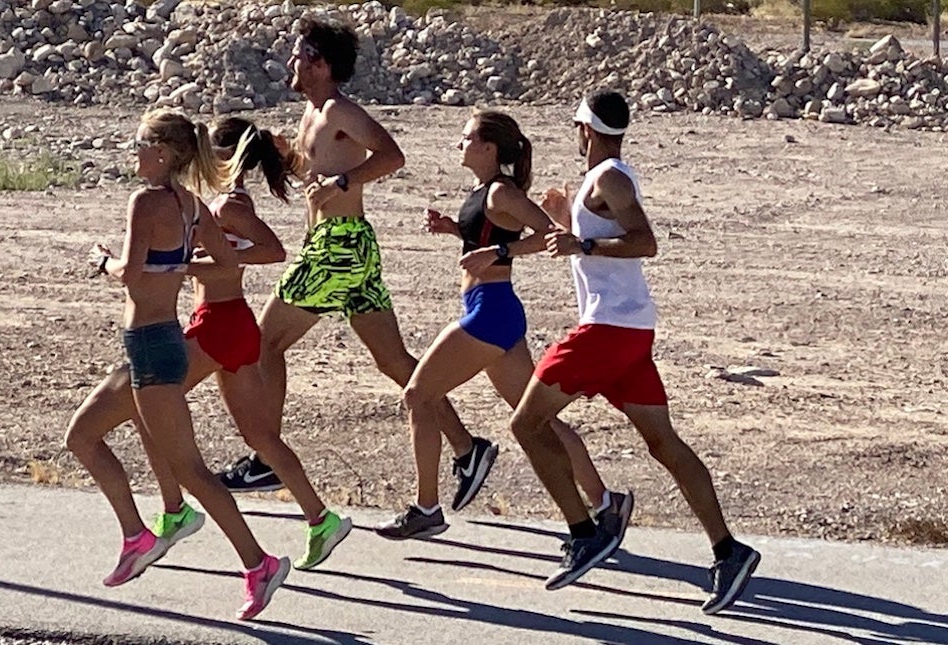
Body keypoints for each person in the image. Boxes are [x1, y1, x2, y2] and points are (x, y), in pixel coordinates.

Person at [219, 18, 498, 518]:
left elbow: (391, 155)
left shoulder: (341, 111)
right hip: (346, 248)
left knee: (264, 343)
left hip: (339, 246)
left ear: (321, 64)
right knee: (393, 362)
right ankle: (467, 447)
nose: (291, 62)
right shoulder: (310, 116)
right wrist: (278, 159)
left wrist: (345, 183)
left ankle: (266, 456)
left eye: (299, 54)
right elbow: (314, 173)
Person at [509, 90, 761, 614]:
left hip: (607, 331)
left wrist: (582, 244)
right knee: (662, 443)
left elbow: (645, 242)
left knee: (526, 425)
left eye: (576, 126)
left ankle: (586, 531)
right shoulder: (598, 182)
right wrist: (565, 225)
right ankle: (728, 551)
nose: (575, 135)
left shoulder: (611, 178)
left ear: (587, 129)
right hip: (626, 332)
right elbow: (595, 250)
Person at [376, 110, 634, 541]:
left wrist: (497, 252)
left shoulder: (501, 192)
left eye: (466, 138)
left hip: (490, 313)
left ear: (489, 148)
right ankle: (607, 502)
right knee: (536, 418)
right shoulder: (485, 191)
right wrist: (453, 229)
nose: (459, 145)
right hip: (491, 311)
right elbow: (486, 238)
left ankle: (426, 508)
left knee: (419, 395)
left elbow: (546, 234)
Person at [83, 108, 288, 621]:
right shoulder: (192, 204)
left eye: (139, 144)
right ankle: (145, 533)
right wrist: (174, 265)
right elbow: (225, 263)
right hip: (160, 342)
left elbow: (129, 274)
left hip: (152, 346)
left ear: (162, 153)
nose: (133, 153)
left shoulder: (145, 201)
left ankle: (254, 562)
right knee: (83, 435)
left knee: (190, 469)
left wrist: (102, 260)